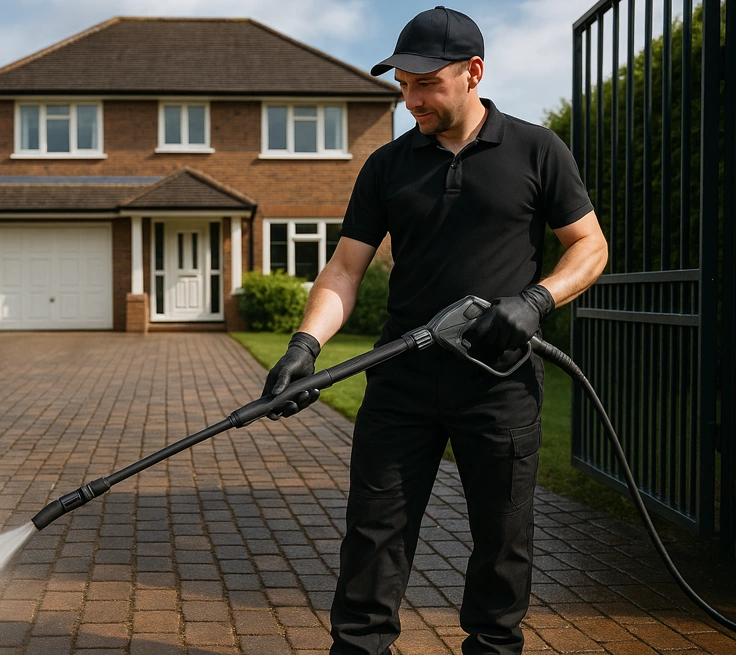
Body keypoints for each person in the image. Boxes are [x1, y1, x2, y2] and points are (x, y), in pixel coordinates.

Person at [260, 7, 609, 655]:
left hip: (500, 383)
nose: (411, 98)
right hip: (403, 379)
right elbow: (344, 269)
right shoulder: (387, 167)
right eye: (403, 84)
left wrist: (537, 300)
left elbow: (589, 247)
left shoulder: (537, 150)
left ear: (474, 72)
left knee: (504, 538)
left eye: (427, 83)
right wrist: (305, 346)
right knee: (374, 530)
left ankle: (492, 646)